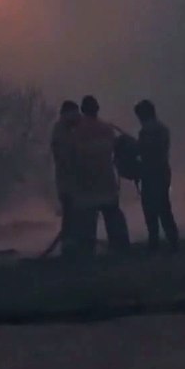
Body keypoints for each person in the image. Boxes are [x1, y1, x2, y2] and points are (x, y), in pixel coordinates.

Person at [69, 95, 131, 255]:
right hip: (107, 180)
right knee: (112, 216)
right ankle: (120, 248)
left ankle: (87, 251)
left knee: (88, 221)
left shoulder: (76, 131)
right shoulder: (107, 129)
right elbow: (115, 151)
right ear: (97, 109)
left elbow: (73, 158)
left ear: (82, 110)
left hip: (87, 183)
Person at [134, 99, 179, 253]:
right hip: (163, 172)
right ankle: (173, 240)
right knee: (165, 207)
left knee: (150, 210)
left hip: (151, 173)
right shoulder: (163, 129)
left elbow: (142, 150)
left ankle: (154, 242)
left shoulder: (146, 131)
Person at [49, 100, 81, 256]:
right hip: (68, 182)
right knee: (70, 215)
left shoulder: (65, 130)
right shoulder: (61, 132)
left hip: (68, 181)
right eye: (75, 113)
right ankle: (69, 248)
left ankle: (71, 245)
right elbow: (65, 158)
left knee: (72, 215)